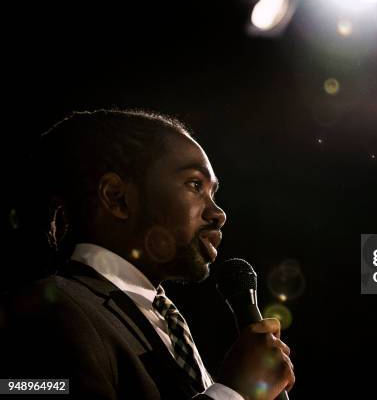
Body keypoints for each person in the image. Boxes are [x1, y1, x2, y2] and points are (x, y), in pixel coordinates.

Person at [1, 110, 295, 399]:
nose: (218, 214)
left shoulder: (164, 321)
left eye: (213, 193)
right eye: (195, 185)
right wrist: (232, 392)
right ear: (117, 197)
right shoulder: (50, 310)